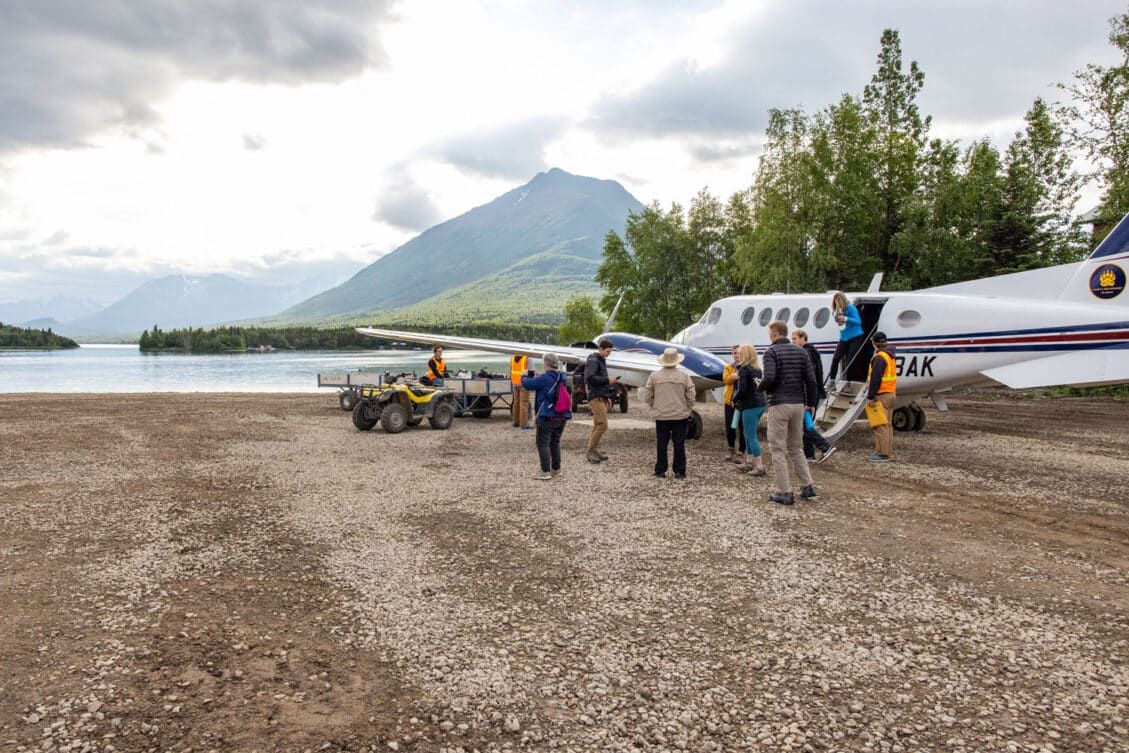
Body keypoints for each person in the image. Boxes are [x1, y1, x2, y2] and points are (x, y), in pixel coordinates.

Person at [759, 320, 818, 505]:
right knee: (796, 447)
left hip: (779, 402)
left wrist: (759, 386)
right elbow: (811, 380)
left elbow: (769, 377)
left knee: (777, 448)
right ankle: (807, 486)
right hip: (798, 403)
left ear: (774, 333)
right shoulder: (801, 351)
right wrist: (811, 402)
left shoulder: (771, 352)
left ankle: (784, 491)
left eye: (770, 333)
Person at [641, 347, 696, 479]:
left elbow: (647, 396)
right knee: (679, 444)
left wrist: (655, 406)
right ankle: (680, 471)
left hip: (661, 415)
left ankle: (660, 470)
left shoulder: (654, 376)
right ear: (676, 361)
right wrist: (688, 407)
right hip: (680, 415)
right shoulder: (684, 376)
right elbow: (691, 395)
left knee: (661, 443)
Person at [521, 353, 572, 480]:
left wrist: (524, 375)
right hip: (562, 415)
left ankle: (545, 471)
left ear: (546, 364)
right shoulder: (561, 376)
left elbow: (528, 384)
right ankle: (556, 469)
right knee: (555, 442)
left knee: (542, 443)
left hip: (548, 415)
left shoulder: (545, 378)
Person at [791, 329, 836, 464]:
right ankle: (809, 456)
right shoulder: (812, 352)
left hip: (807, 396)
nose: (792, 341)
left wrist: (807, 400)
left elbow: (807, 379)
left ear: (803, 338)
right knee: (806, 425)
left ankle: (825, 447)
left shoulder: (806, 354)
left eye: (794, 338)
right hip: (812, 394)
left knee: (806, 426)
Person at [731, 344, 766, 476]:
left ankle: (759, 466)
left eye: (740, 353)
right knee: (747, 433)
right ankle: (748, 462)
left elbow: (742, 389)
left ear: (746, 354)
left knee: (751, 436)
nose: (738, 355)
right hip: (760, 405)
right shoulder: (757, 369)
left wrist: (734, 399)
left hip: (749, 406)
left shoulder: (744, 369)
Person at [584, 339, 619, 463]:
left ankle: (593, 450)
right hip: (595, 397)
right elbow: (590, 378)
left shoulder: (599, 360)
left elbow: (595, 379)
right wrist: (607, 380)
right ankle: (590, 452)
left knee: (598, 424)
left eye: (610, 351)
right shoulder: (594, 360)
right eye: (608, 351)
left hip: (599, 396)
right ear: (601, 349)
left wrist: (606, 396)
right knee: (603, 425)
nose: (609, 353)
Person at [866, 331, 897, 462]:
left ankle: (883, 454)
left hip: (882, 394)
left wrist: (870, 395)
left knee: (880, 425)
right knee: (887, 424)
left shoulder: (879, 358)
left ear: (874, 343)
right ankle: (886, 451)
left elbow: (875, 378)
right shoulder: (889, 356)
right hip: (891, 393)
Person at [827, 292, 865, 389]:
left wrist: (846, 318)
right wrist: (838, 320)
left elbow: (858, 322)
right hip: (844, 337)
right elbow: (839, 324)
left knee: (850, 359)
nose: (838, 305)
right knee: (836, 358)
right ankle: (832, 381)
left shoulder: (851, 308)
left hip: (856, 336)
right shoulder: (835, 310)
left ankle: (848, 382)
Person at [722, 345, 746, 462]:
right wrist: (736, 375)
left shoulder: (747, 367)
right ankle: (731, 448)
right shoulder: (728, 367)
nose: (737, 355)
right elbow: (726, 380)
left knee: (743, 426)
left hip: (744, 402)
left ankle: (741, 451)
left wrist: (737, 375)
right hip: (730, 401)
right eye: (735, 353)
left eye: (739, 353)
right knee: (730, 426)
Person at [510, 353, 532, 429]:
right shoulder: (527, 358)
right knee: (524, 403)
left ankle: (515, 422)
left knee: (516, 403)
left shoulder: (512, 358)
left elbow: (511, 369)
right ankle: (524, 424)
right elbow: (532, 371)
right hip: (524, 383)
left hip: (514, 383)